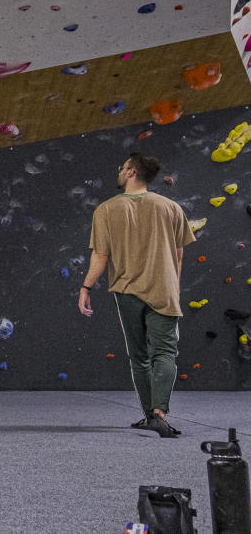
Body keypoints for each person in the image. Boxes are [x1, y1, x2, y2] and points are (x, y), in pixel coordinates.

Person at [79, 152, 195, 438]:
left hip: (127, 291)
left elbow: (100, 256)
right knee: (166, 352)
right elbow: (179, 253)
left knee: (139, 357)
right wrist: (174, 283)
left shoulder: (106, 210)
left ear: (131, 171)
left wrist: (86, 287)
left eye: (122, 168)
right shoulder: (171, 207)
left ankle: (149, 416)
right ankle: (159, 414)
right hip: (164, 290)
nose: (120, 171)